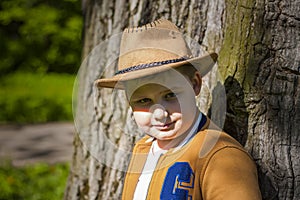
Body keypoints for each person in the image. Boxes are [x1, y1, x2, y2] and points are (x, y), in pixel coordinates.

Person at [96, 18, 261, 200]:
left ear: (195, 84)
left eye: (170, 95)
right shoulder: (142, 149)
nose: (159, 114)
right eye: (143, 100)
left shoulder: (222, 157)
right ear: (129, 101)